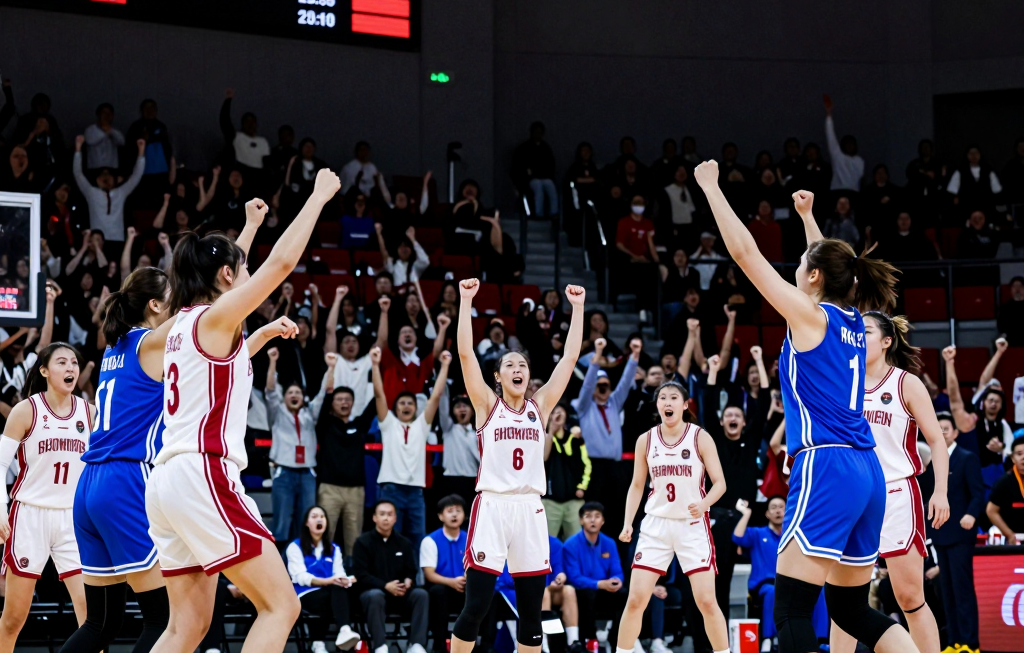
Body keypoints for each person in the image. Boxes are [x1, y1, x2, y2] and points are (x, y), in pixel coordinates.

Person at [692, 159, 917, 653]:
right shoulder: (856, 320)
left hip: (827, 463)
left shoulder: (810, 317)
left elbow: (746, 254)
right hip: (868, 471)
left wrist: (711, 189)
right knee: (853, 610)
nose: (796, 274)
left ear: (812, 276)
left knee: (791, 606)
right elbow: (832, 270)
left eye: (802, 268)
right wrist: (809, 220)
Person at [144, 168, 340, 653]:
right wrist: (316, 198)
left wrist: (259, 335)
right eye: (240, 272)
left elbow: (217, 376)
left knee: (185, 629)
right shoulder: (215, 318)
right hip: (203, 472)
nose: (249, 281)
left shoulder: (183, 325)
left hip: (167, 483)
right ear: (229, 278)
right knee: (282, 606)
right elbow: (278, 266)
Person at [449, 279, 586, 653]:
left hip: (530, 508)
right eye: (509, 364)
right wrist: (465, 301)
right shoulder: (486, 405)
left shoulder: (538, 408)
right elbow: (465, 355)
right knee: (476, 605)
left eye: (522, 364)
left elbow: (570, 359)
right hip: (492, 505)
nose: (517, 368)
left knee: (531, 611)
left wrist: (577, 310)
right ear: (498, 376)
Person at [60, 268, 179, 653]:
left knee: (102, 622)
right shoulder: (153, 343)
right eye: (173, 292)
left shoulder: (117, 346)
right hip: (124, 479)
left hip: (90, 484)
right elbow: (211, 304)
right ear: (156, 304)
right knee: (164, 621)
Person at [830, 312, 950, 653]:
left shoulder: (905, 383)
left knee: (910, 596)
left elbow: (938, 441)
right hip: (851, 498)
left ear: (886, 341)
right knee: (844, 603)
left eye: (865, 331)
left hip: (897, 492)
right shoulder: (841, 384)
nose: (858, 337)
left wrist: (939, 492)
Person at [616, 381, 730, 653]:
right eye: (662, 398)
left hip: (691, 526)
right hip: (656, 525)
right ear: (657, 405)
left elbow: (720, 483)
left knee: (706, 601)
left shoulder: (699, 436)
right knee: (635, 600)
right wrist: (628, 523)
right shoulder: (646, 439)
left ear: (685, 404)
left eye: (673, 398)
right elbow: (636, 486)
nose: (667, 402)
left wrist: (704, 504)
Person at [0, 343, 93, 652]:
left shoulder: (89, 412)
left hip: (73, 519)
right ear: (44, 370)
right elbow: (0, 465)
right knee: (14, 618)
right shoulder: (26, 410)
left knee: (93, 617)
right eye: (62, 362)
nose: (70, 368)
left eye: (74, 363)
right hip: (30, 515)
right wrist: (0, 508)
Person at [369, 345, 452, 554]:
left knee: (417, 539)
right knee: (389, 538)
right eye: (402, 403)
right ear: (395, 407)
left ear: (416, 408)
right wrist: (375, 364)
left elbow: (436, 395)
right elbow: (379, 395)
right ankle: (390, 582)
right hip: (391, 489)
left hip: (415, 490)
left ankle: (416, 584)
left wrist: (445, 366)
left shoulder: (422, 425)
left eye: (410, 403)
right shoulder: (388, 424)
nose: (406, 406)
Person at [921, 412, 985, 653]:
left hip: (961, 534)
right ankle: (954, 642)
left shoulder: (966, 458)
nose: (942, 432)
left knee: (962, 589)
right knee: (945, 590)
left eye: (946, 428)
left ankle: (970, 643)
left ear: (956, 432)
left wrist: (971, 514)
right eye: (938, 428)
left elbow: (978, 493)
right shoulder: (931, 462)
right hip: (939, 534)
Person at [734, 496, 830, 652]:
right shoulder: (758, 533)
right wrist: (746, 513)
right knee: (773, 592)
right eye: (773, 507)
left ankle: (820, 640)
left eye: (781, 507)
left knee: (820, 591)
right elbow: (737, 537)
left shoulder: (796, 535)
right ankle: (769, 638)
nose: (778, 510)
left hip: (793, 582)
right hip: (764, 584)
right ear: (767, 514)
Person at [265, 348, 336, 543]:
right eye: (290, 392)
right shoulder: (277, 414)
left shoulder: (309, 415)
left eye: (297, 392)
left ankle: (300, 567)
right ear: (285, 397)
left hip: (307, 474)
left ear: (303, 397)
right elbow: (271, 391)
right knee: (281, 525)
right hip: (284, 473)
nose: (294, 395)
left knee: (306, 524)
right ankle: (279, 567)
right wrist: (272, 362)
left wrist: (331, 367)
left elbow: (323, 393)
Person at [352, 500, 429, 653]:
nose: (386, 518)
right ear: (374, 518)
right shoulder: (362, 542)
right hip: (373, 595)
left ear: (395, 518)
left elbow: (411, 570)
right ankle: (380, 646)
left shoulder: (404, 543)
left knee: (421, 594)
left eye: (389, 514)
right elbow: (361, 574)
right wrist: (385, 585)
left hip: (400, 594)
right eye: (382, 514)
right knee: (375, 595)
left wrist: (408, 581)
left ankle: (416, 645)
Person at [286, 506, 360, 653]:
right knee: (334, 596)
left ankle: (323, 640)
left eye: (322, 516)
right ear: (307, 523)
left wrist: (346, 580)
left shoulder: (334, 548)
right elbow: (300, 577)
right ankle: (338, 633)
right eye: (314, 516)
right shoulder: (294, 547)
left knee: (342, 592)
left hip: (329, 592)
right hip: (304, 594)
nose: (319, 519)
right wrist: (328, 581)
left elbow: (339, 573)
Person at [315, 384, 376, 556]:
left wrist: (377, 367)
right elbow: (324, 405)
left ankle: (353, 577)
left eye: (348, 399)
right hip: (329, 489)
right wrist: (332, 369)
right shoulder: (325, 425)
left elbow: (374, 404)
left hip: (355, 490)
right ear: (332, 403)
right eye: (339, 399)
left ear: (353, 403)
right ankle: (323, 573)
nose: (344, 403)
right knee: (324, 533)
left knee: (354, 537)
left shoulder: (359, 425)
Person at [563, 502, 628, 649]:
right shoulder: (570, 545)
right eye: (588, 516)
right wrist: (599, 584)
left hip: (604, 591)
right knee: (588, 594)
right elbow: (574, 578)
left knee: (624, 594)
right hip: (582, 592)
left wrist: (616, 581)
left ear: (603, 521)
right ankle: (590, 639)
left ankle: (615, 638)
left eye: (597, 516)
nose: (593, 520)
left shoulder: (610, 543)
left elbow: (617, 571)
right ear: (581, 520)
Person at [73, 135, 147, 246]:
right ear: (96, 180)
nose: (106, 177)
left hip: (118, 240)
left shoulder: (120, 192)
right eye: (102, 175)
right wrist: (78, 149)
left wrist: (141, 153)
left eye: (109, 175)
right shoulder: (91, 192)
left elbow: (136, 176)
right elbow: (78, 174)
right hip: (97, 241)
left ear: (115, 180)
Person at [421, 495, 469, 653]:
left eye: (458, 511)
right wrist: (451, 582)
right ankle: (439, 645)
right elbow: (429, 574)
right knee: (438, 592)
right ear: (440, 516)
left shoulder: (471, 539)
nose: (454, 515)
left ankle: (483, 645)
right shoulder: (430, 540)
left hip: (465, 587)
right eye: (449, 511)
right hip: (442, 588)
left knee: (487, 593)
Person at [543, 406, 591, 539]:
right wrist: (551, 431)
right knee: (548, 544)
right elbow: (543, 457)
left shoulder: (575, 438)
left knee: (574, 544)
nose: (556, 414)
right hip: (550, 502)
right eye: (552, 412)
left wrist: (582, 486)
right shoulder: (544, 437)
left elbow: (586, 464)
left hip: (574, 502)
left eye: (559, 411)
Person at [512, 121, 559, 219]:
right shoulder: (524, 148)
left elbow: (551, 164)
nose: (538, 134)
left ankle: (554, 213)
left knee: (550, 186)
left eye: (540, 132)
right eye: (536, 132)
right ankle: (539, 214)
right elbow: (518, 166)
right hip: (530, 179)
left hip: (545, 177)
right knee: (538, 187)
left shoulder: (545, 148)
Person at [985, 436, 1024, 544]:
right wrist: (1009, 533)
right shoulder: (1004, 482)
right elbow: (991, 511)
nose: (1023, 457)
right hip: (1011, 537)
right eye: (1019, 454)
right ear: (1012, 458)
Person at [823, 96, 864, 196]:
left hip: (854, 193)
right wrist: (829, 115)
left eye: (852, 143)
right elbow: (830, 136)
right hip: (837, 192)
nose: (850, 146)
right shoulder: (838, 156)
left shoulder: (860, 161)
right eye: (847, 143)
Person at [84, 103, 124, 171]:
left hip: (112, 168)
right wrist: (105, 132)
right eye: (104, 113)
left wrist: (111, 132)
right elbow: (90, 141)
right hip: (95, 168)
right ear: (98, 114)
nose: (107, 116)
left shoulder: (115, 131)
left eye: (109, 113)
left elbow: (122, 142)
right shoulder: (90, 129)